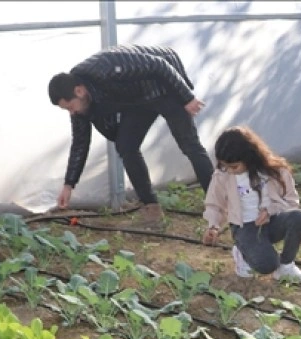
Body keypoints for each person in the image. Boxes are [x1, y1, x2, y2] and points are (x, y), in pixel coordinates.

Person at [49, 45, 214, 225]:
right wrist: (69, 184)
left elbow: (159, 65)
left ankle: (218, 204)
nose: (71, 113)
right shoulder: (80, 104)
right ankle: (152, 209)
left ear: (79, 91)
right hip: (137, 99)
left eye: (70, 107)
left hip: (163, 87)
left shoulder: (105, 68)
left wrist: (186, 97)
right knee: (126, 145)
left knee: (189, 145)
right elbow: (80, 143)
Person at [201, 127, 301, 284]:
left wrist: (270, 211)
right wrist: (213, 226)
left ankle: (286, 266)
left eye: (234, 166)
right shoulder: (222, 176)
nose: (230, 171)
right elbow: (214, 203)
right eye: (225, 165)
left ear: (249, 158)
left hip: (272, 221)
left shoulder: (275, 171)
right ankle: (242, 251)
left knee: (299, 217)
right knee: (267, 266)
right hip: (245, 226)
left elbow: (291, 202)